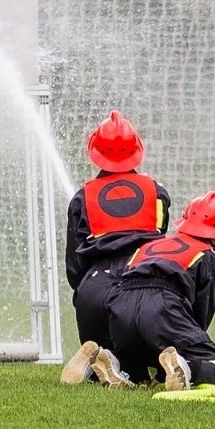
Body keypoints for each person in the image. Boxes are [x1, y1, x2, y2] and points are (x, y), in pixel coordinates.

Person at [59, 110, 172, 384]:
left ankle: (102, 357)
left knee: (107, 350)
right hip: (144, 286)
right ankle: (150, 365)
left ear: (94, 151)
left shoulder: (81, 198)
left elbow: (74, 268)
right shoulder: (156, 193)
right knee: (156, 346)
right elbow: (161, 243)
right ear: (137, 150)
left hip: (95, 290)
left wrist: (86, 292)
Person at [87, 191, 215, 392]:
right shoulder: (207, 257)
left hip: (121, 307)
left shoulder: (148, 246)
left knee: (139, 363)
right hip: (161, 306)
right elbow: (198, 320)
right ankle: (188, 369)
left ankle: (113, 362)